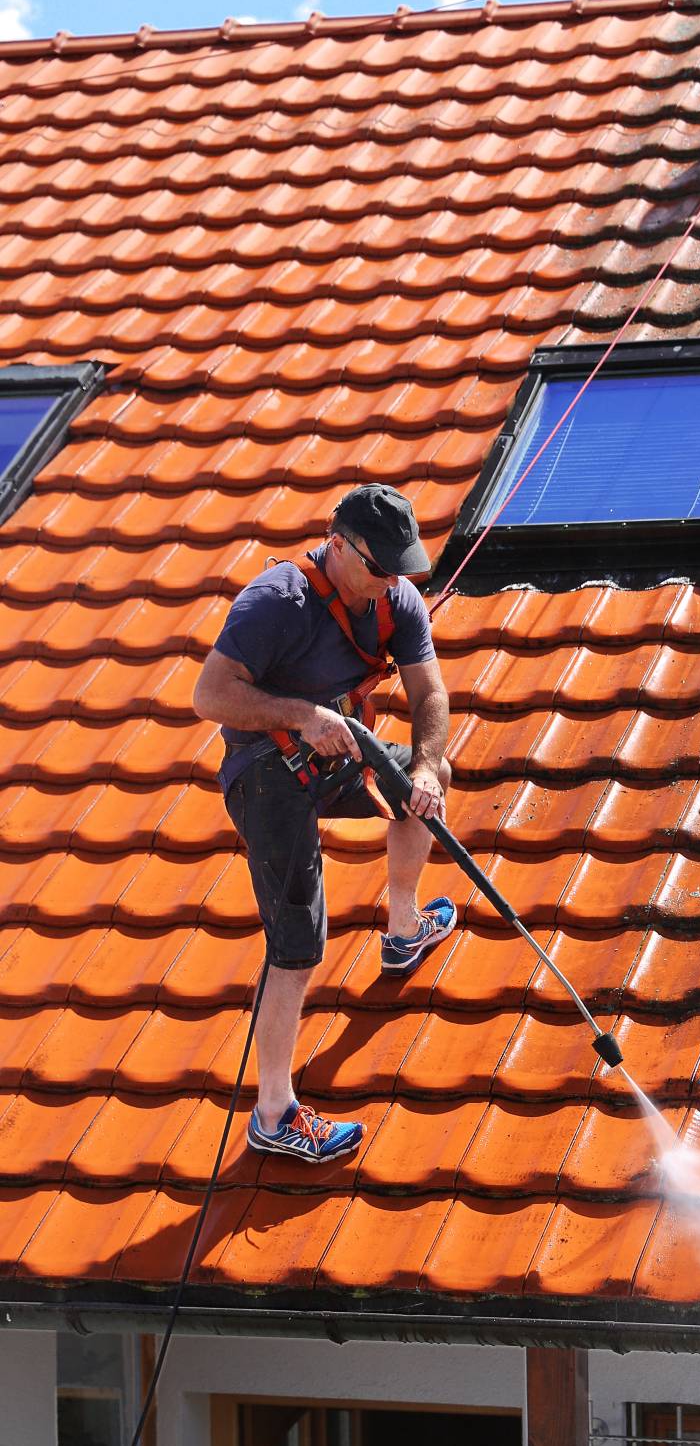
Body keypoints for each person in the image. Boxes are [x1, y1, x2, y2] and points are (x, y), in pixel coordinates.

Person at [193, 483, 454, 1165]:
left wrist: (423, 769)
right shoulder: (276, 601)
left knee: (426, 783)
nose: (391, 583)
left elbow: (430, 693)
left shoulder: (396, 598)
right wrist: (302, 717)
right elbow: (209, 695)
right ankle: (274, 1113)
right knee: (299, 944)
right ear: (338, 545)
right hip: (266, 775)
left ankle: (403, 928)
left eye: (401, 569)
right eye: (378, 568)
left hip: (340, 756)